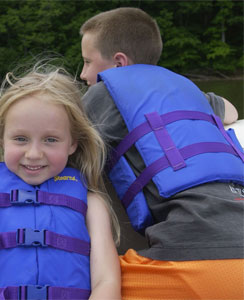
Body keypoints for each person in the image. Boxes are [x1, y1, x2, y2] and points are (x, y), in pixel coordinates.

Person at [79, 7, 244, 300]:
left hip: (199, 266)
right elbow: (230, 110)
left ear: (118, 64)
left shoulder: (101, 94)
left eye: (88, 62)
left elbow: (58, 141)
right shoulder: (187, 90)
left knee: (78, 280)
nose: (83, 74)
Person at [0, 63, 121, 300]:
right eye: (20, 139)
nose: (34, 153)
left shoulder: (92, 205)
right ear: (2, 140)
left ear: (72, 143)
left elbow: (106, 281)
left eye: (50, 139)